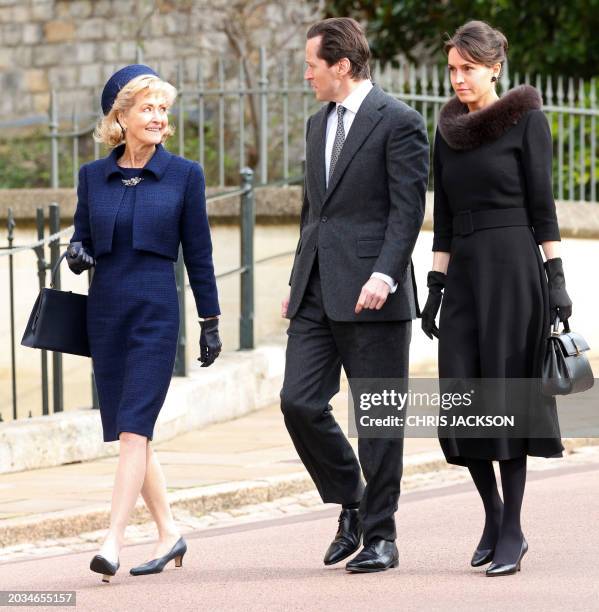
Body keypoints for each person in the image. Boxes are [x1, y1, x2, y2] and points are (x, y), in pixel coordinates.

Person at [421, 21, 572, 576]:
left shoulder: (526, 117)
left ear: (494, 68)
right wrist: (436, 284)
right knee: (461, 400)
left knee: (506, 399)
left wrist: (556, 276)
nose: (458, 78)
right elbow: (442, 219)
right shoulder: (446, 129)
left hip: (513, 270)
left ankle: (512, 529)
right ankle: (492, 513)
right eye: (453, 68)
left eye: (468, 68)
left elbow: (543, 206)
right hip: (464, 275)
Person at [280, 18, 429, 573]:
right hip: (317, 289)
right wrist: (298, 280)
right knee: (298, 401)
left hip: (374, 293)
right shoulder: (317, 124)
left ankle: (382, 537)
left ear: (342, 66)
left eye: (311, 65)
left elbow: (406, 208)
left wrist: (386, 274)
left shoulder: (401, 122)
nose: (306, 74)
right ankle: (354, 500)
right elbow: (312, 211)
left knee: (379, 417)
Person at [67, 64, 222, 582]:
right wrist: (76, 253)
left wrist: (210, 319)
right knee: (132, 435)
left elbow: (198, 254)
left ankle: (112, 538)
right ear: (122, 116)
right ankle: (169, 532)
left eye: (162, 109)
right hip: (105, 314)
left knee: (135, 431)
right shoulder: (93, 177)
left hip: (155, 317)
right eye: (148, 108)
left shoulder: (185, 176)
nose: (158, 117)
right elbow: (81, 238)